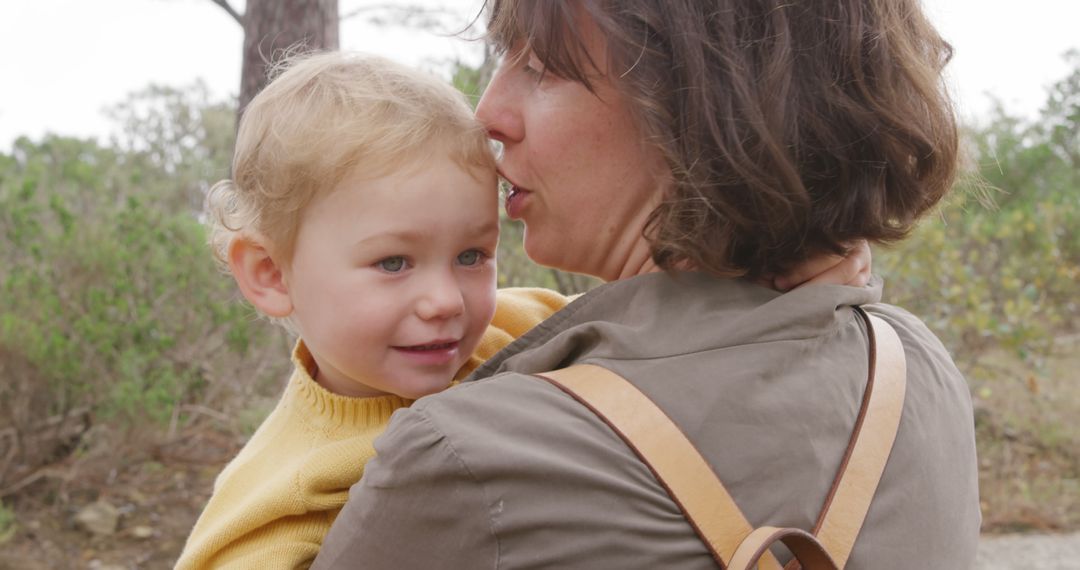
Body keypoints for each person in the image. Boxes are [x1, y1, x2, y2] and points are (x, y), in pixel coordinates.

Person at [312, 0, 981, 568]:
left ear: (706, 109)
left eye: (542, 69)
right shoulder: (914, 368)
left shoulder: (469, 456)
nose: (488, 113)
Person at [174, 51, 572, 569]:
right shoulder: (288, 484)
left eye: (470, 256)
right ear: (270, 273)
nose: (445, 301)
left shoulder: (517, 328)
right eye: (393, 263)